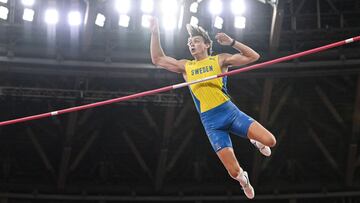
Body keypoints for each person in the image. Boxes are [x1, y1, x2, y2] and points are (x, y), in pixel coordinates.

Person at [149, 17, 276, 199]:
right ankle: (243, 179)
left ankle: (255, 140)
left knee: (270, 141)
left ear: (207, 44)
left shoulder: (220, 60)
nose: (191, 44)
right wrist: (154, 32)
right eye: (189, 42)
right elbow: (158, 59)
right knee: (233, 172)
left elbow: (253, 57)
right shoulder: (186, 67)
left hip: (230, 113)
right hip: (212, 124)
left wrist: (232, 42)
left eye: (196, 41)